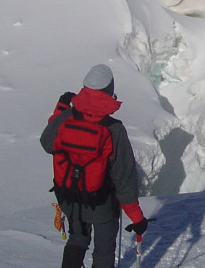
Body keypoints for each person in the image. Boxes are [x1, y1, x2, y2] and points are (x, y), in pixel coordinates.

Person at [41, 64, 149, 268]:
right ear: (110, 92)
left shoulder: (66, 117)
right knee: (104, 250)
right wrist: (136, 217)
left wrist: (61, 110)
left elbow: (47, 142)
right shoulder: (113, 129)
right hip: (102, 203)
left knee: (77, 240)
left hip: (70, 198)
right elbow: (124, 177)